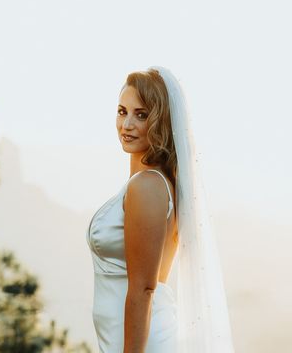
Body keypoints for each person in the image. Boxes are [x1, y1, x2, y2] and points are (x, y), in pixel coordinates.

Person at [86, 67, 235, 352]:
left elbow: (144, 289)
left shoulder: (148, 186)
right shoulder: (150, 183)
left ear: (161, 121)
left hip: (141, 343)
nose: (126, 124)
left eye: (141, 115)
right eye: (122, 111)